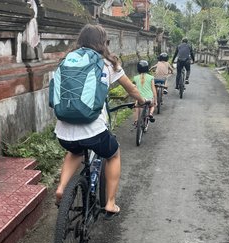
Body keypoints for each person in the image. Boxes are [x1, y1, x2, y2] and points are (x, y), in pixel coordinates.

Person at [55, 24, 148, 220]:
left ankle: (62, 187)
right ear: (103, 42)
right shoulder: (108, 63)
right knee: (113, 153)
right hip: (93, 131)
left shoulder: (67, 60)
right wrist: (141, 101)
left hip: (64, 131)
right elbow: (131, 89)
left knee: (74, 151)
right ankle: (111, 203)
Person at [132, 60, 157, 125]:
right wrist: (155, 100)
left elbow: (133, 88)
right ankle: (150, 114)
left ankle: (136, 120)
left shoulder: (135, 78)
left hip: (140, 99)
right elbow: (153, 89)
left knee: (136, 107)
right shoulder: (151, 77)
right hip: (149, 98)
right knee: (152, 106)